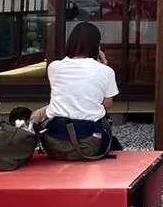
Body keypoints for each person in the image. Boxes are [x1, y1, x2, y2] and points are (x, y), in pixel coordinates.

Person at [41, 21, 121, 159]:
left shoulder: (54, 67)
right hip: (89, 144)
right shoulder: (106, 71)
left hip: (53, 144)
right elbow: (107, 104)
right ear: (97, 46)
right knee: (112, 140)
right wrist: (104, 65)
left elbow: (68, 94)